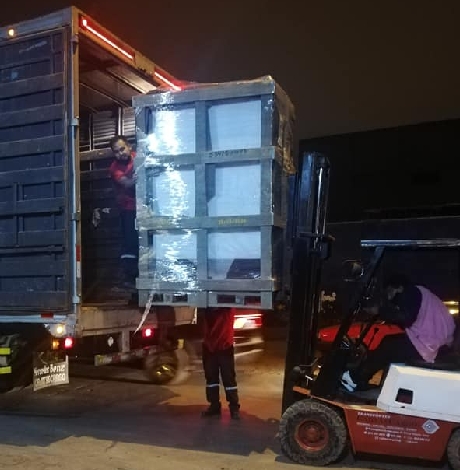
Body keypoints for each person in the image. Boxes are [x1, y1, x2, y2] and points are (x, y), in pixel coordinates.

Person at [341, 273, 456, 392]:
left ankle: (353, 378)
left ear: (399, 287)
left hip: (430, 343)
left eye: (389, 292)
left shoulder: (411, 293)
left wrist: (380, 311)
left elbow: (406, 318)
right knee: (389, 341)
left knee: (388, 347)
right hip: (436, 340)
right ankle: (378, 384)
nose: (389, 297)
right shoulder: (421, 294)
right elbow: (410, 320)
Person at [109, 135, 138, 288]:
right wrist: (140, 172)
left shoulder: (138, 157)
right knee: (130, 242)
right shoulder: (114, 168)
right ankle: (130, 278)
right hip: (128, 210)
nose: (120, 153)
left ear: (129, 146)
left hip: (146, 208)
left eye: (122, 149)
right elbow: (127, 184)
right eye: (116, 151)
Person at [201, 307, 240, 420]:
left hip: (224, 346)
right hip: (209, 346)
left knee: (228, 379)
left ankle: (234, 407)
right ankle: (214, 405)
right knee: (211, 379)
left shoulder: (226, 306)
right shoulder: (207, 308)